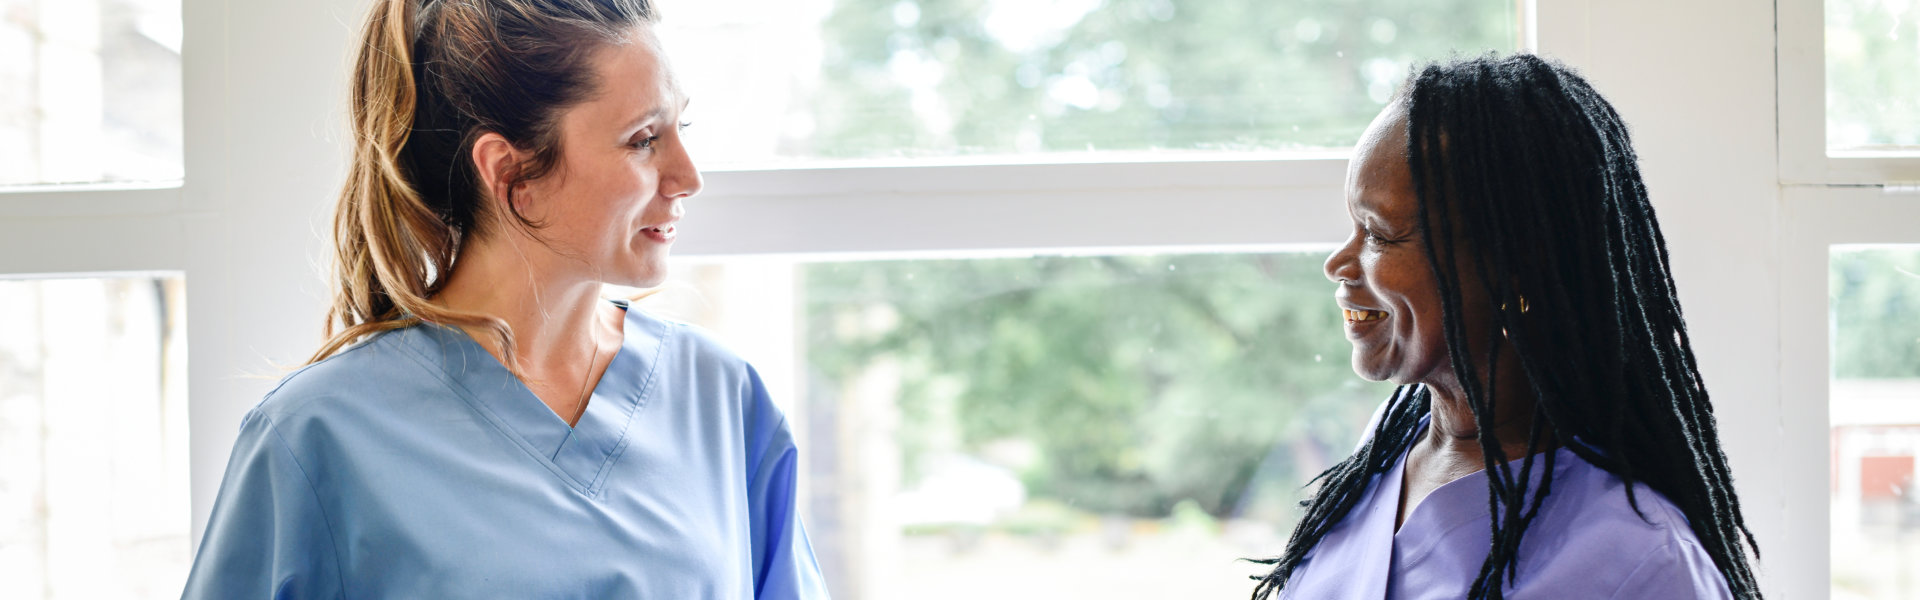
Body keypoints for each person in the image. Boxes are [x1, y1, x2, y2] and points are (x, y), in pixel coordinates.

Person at [180, 0, 829, 597]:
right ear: (510, 170)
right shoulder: (316, 438)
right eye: (643, 139)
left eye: (680, 126)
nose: (689, 176)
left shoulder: (721, 398)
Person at [1247, 54, 1762, 599]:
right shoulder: (1392, 446)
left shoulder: (1646, 564)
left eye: (1378, 233)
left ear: (1510, 264)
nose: (1339, 263)